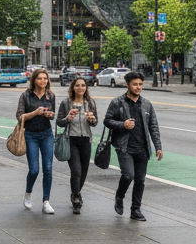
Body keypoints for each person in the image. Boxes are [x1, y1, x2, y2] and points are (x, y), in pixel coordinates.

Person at [103, 71, 163, 222]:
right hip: (124, 147)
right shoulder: (117, 102)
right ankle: (120, 195)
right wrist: (122, 125)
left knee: (140, 180)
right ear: (127, 85)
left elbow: (153, 126)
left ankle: (135, 209)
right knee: (129, 175)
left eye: (140, 84)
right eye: (135, 84)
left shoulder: (147, 104)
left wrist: (158, 147)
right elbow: (107, 121)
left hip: (142, 148)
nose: (138, 87)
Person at [16, 68, 57, 214]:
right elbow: (19, 116)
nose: (43, 81)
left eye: (45, 78)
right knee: (34, 170)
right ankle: (28, 193)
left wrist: (50, 115)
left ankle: (46, 201)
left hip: (46, 134)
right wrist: (35, 113)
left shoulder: (50, 96)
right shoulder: (26, 96)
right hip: (30, 135)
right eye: (40, 78)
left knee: (48, 169)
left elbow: (53, 115)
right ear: (34, 80)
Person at [56, 75, 98, 213]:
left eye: (83, 86)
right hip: (71, 140)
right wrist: (68, 118)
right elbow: (59, 122)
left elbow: (95, 122)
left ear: (86, 88)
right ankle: (76, 196)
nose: (80, 88)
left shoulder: (90, 103)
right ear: (73, 88)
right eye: (77, 85)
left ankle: (76, 192)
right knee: (76, 170)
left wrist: (92, 119)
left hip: (85, 140)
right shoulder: (66, 103)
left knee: (84, 171)